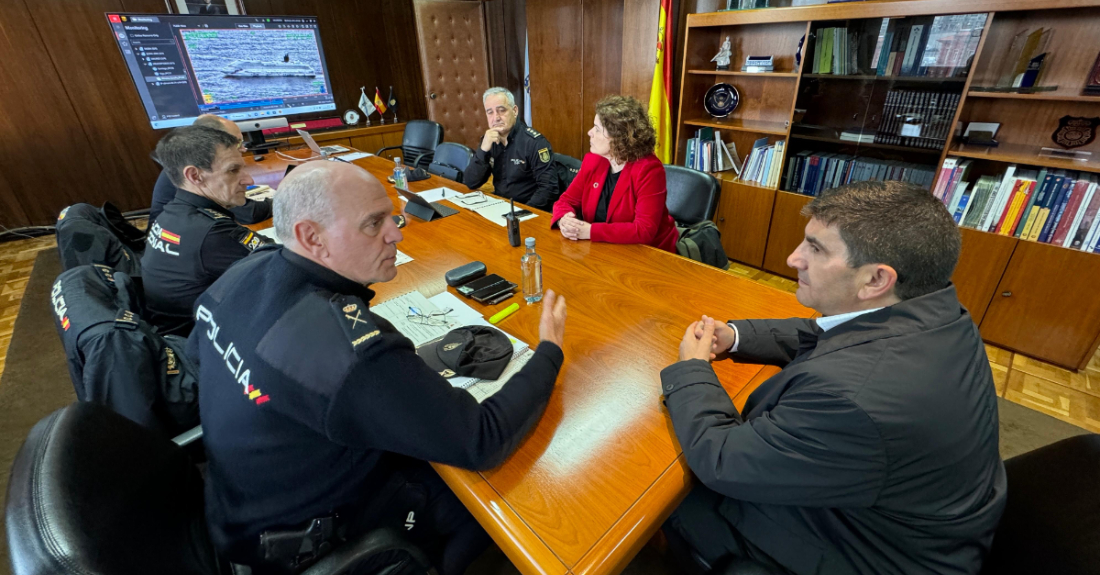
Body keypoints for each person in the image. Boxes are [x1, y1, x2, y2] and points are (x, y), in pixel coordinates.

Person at [188, 161, 568, 575]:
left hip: (236, 508)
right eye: (373, 224)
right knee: (507, 498)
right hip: (311, 539)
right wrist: (549, 350)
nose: (396, 233)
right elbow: (482, 438)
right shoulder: (351, 352)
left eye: (392, 216)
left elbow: (196, 355)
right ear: (311, 237)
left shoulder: (242, 273)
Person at [661, 181, 1006, 575]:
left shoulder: (852, 399)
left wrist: (692, 368)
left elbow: (721, 457)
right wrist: (736, 336)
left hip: (873, 554)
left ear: (876, 280)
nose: (793, 258)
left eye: (816, 249)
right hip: (914, 519)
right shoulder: (933, 312)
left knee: (668, 497)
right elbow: (827, 333)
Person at [142, 125, 270, 336]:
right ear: (195, 175)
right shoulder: (211, 233)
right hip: (201, 342)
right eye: (233, 170)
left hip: (175, 331)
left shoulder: (174, 213)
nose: (249, 180)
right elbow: (282, 267)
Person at [551, 95, 678, 253]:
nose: (590, 133)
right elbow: (565, 201)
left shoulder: (649, 170)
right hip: (603, 249)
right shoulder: (593, 161)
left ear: (618, 138)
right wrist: (564, 219)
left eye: (597, 129)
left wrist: (591, 231)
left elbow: (644, 230)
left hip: (648, 253)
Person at [149, 114, 272, 225]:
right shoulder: (197, 169)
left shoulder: (190, 161)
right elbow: (249, 214)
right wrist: (283, 202)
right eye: (236, 143)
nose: (243, 149)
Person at [463, 87, 559, 211]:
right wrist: (483, 150)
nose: (496, 117)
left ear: (514, 111)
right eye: (490, 112)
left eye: (501, 110)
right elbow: (471, 182)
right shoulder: (488, 140)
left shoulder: (534, 143)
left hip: (526, 209)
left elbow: (549, 189)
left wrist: (521, 214)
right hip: (499, 206)